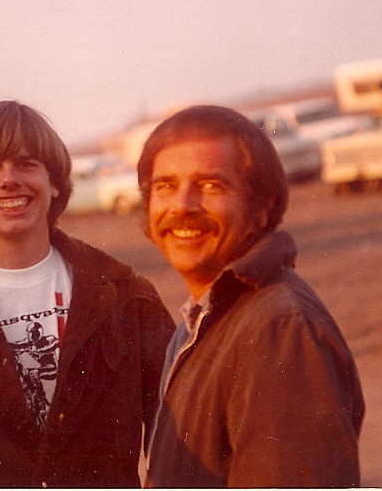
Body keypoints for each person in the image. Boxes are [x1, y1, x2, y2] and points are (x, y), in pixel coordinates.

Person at [0, 100, 175, 488]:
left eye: (26, 164)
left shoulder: (127, 297)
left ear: (54, 182)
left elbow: (178, 438)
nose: (9, 179)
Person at [137, 104, 365, 488]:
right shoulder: (203, 319)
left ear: (262, 208)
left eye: (211, 186)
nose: (182, 205)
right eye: (166, 186)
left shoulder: (278, 329)